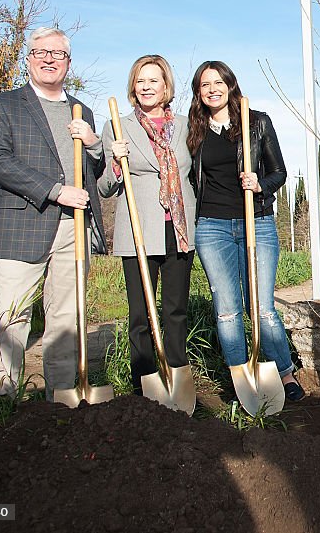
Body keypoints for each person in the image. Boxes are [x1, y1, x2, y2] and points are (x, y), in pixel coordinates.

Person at [0, 27, 107, 400]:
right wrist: (54, 190)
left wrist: (95, 144)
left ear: (68, 62)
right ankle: (0, 399)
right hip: (22, 224)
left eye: (58, 54)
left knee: (66, 319)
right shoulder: (2, 104)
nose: (49, 59)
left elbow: (92, 174)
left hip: (73, 229)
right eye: (41, 52)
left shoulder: (82, 110)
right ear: (29, 57)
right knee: (11, 316)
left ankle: (61, 399)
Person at [186, 60, 304, 402]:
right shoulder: (194, 130)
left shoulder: (257, 122)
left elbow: (279, 172)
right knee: (227, 309)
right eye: (205, 84)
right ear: (198, 92)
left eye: (218, 82)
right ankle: (242, 377)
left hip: (258, 223)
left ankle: (285, 373)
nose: (212, 89)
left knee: (262, 307)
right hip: (213, 227)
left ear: (230, 85)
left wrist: (260, 183)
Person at [98, 55, 196, 395]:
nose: (146, 87)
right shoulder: (117, 126)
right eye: (140, 81)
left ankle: (176, 380)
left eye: (153, 80)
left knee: (175, 311)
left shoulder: (185, 126)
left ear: (166, 86)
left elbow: (199, 173)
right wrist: (114, 162)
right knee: (140, 314)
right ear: (132, 87)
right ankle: (144, 386)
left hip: (179, 231)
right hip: (138, 231)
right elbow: (103, 188)